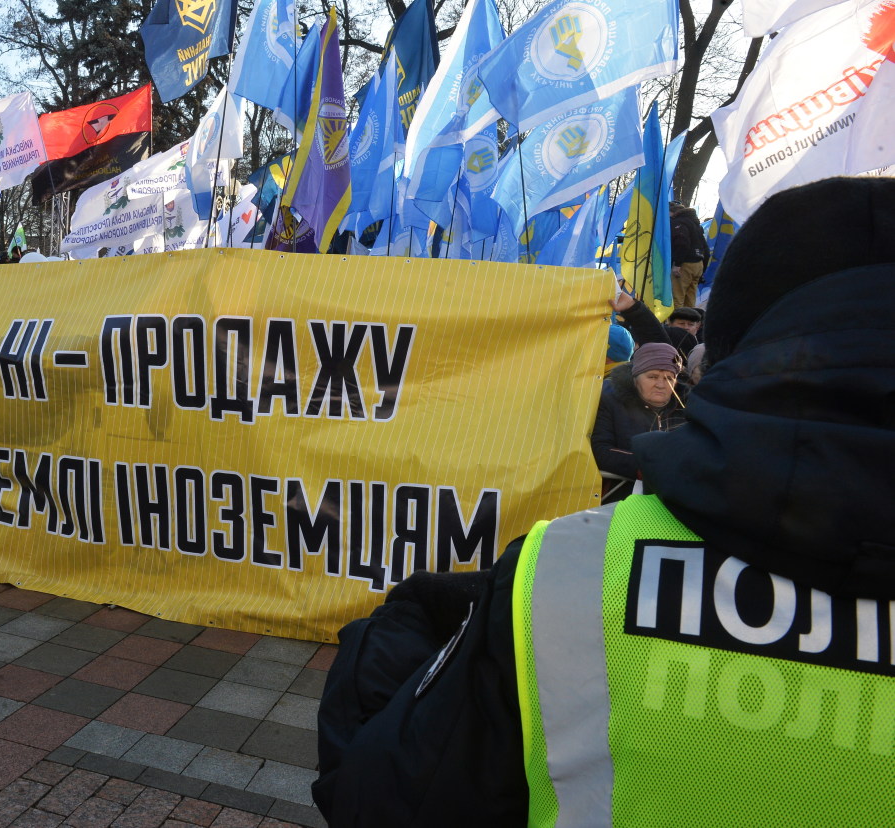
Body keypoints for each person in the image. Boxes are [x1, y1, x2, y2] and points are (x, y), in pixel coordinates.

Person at [313, 176, 895, 826]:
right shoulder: (564, 559)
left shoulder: (563, 571)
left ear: (718, 354)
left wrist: (391, 636)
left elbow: (380, 800)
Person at [591, 341, 685, 499]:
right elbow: (601, 450)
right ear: (635, 378)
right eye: (652, 377)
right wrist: (652, 467)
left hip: (676, 497)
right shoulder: (610, 401)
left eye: (669, 378)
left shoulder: (687, 407)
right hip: (620, 496)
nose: (661, 384)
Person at [669, 201, 709, 308]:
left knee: (677, 298)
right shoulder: (695, 224)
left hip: (684, 265)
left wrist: (677, 264)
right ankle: (690, 323)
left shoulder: (678, 222)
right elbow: (706, 248)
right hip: (698, 264)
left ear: (671, 212)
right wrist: (703, 269)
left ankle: (676, 324)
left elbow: (682, 243)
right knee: (690, 300)